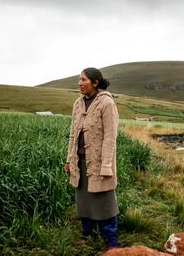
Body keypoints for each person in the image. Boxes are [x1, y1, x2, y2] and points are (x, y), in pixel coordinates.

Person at [63, 67, 119, 251]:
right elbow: (73, 134)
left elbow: (110, 137)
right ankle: (87, 234)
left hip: (99, 162)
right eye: (79, 79)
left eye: (84, 80)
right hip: (80, 161)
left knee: (104, 201)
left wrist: (107, 165)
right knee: (84, 200)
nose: (80, 83)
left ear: (95, 83)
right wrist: (69, 159)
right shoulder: (78, 104)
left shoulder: (106, 103)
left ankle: (111, 240)